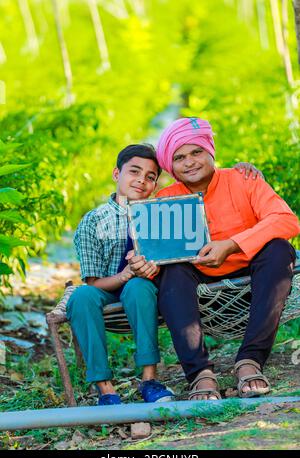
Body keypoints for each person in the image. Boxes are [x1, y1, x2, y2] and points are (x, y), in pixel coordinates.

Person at [127, 117, 300, 401]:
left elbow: (286, 220)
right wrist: (144, 265)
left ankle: (249, 361)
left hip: (254, 285)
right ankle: (200, 374)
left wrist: (231, 245)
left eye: (196, 152)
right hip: (200, 295)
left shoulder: (243, 179)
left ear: (210, 152)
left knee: (280, 249)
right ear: (171, 167)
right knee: (173, 270)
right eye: (179, 157)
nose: (190, 162)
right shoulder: (166, 199)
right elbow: (156, 258)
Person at [66, 144, 174, 405]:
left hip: (144, 293)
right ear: (117, 174)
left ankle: (149, 380)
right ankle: (106, 389)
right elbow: (93, 281)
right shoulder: (94, 221)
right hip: (105, 290)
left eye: (150, 177)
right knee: (81, 297)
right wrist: (126, 273)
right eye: (134, 171)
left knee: (139, 286)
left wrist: (147, 270)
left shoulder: (162, 215)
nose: (141, 180)